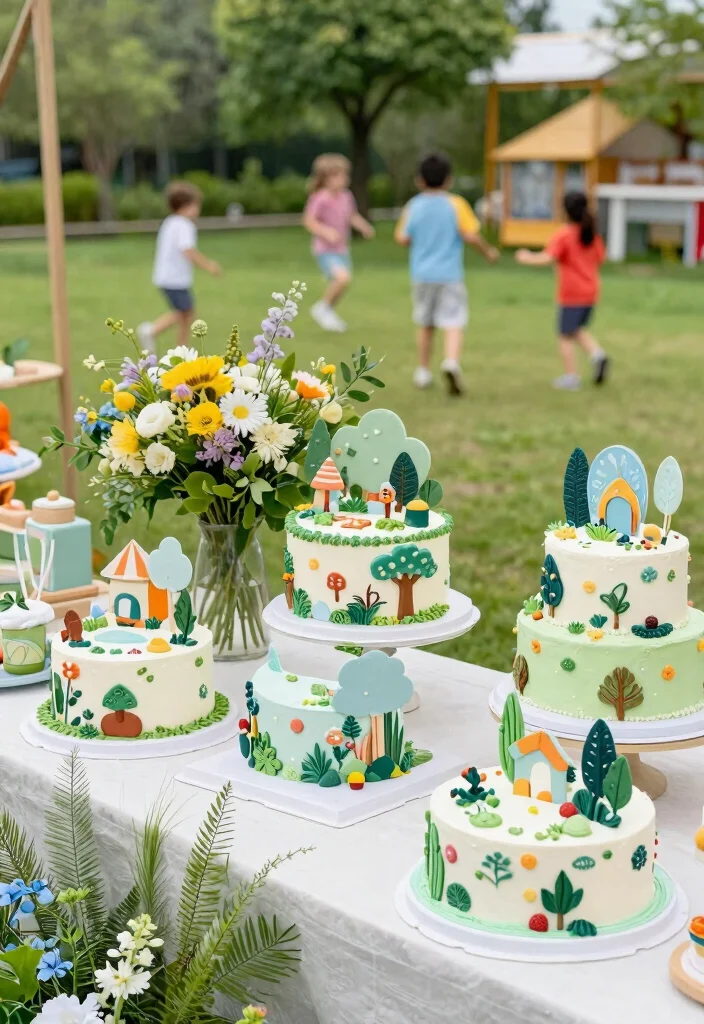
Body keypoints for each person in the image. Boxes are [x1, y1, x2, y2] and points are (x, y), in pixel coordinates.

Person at [395, 152, 499, 396]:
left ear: (419, 180)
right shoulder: (456, 204)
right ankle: (451, 361)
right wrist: (488, 252)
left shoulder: (414, 206)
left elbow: (402, 238)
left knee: (425, 323)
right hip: (450, 274)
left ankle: (422, 371)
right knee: (453, 321)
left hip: (421, 275)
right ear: (449, 180)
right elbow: (470, 234)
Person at [516, 190, 608, 390]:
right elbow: (601, 259)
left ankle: (571, 377)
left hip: (571, 293)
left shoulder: (564, 235)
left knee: (564, 335)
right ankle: (597, 355)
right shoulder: (593, 236)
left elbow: (548, 257)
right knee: (575, 330)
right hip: (591, 291)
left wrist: (527, 257)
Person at [137, 181, 221, 352]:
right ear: (187, 205)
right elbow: (188, 251)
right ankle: (153, 332)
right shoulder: (184, 225)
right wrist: (208, 266)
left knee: (185, 313)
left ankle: (180, 348)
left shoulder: (170, 222)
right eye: (196, 205)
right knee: (185, 313)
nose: (198, 209)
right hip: (175, 279)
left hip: (167, 277)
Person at [303, 154, 375, 332]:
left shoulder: (345, 196)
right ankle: (322, 308)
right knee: (343, 279)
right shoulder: (320, 198)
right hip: (325, 250)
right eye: (337, 175)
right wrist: (325, 231)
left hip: (342, 248)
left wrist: (364, 226)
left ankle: (327, 310)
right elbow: (309, 221)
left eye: (344, 175)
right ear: (325, 178)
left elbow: (351, 216)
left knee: (343, 282)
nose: (343, 179)